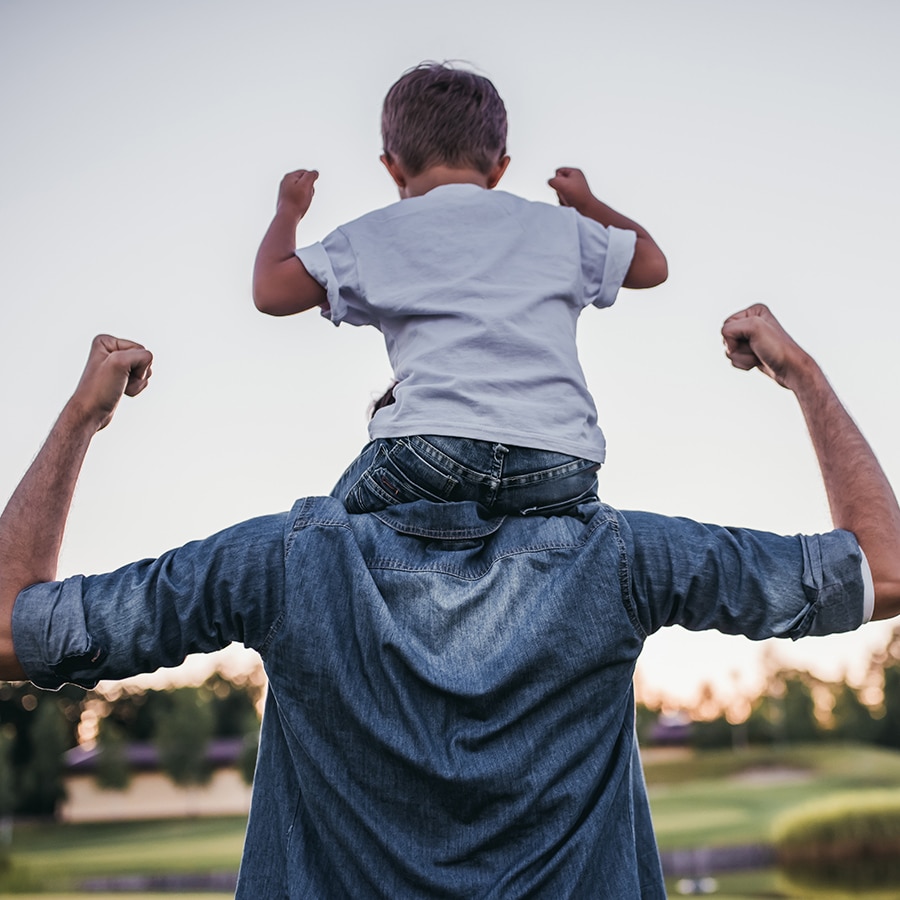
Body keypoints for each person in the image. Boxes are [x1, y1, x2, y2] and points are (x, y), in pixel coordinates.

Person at [2, 306, 899, 898]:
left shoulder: (281, 564)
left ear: (388, 431)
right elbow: (884, 570)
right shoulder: (620, 558)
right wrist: (805, 376)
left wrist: (82, 418)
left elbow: (12, 632)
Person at [252, 62, 668, 517]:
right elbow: (652, 264)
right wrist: (586, 204)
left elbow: (271, 291)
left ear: (392, 168)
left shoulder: (377, 234)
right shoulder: (559, 228)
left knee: (323, 533)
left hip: (433, 451)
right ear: (499, 168)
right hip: (561, 461)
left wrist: (288, 211)